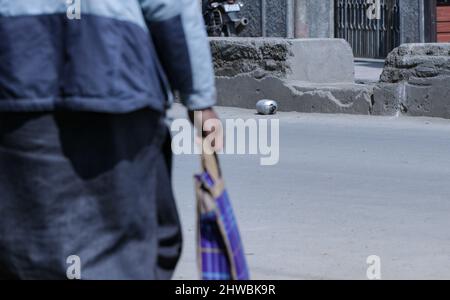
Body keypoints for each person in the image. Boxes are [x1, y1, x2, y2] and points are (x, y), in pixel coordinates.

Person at [0, 0, 218, 279]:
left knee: (23, 247)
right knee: (129, 248)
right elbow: (170, 7)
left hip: (17, 80)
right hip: (116, 78)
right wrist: (199, 100)